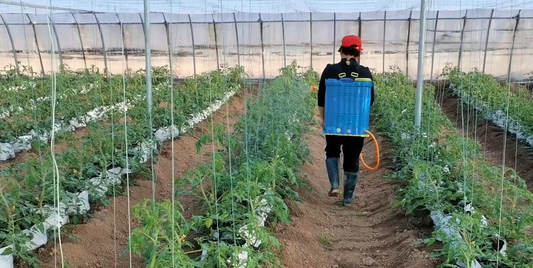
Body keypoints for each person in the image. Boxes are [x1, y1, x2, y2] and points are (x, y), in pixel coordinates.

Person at [317, 35, 375, 206]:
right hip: (356, 125)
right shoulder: (365, 72)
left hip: (334, 122)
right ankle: (348, 197)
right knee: (352, 157)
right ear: (358, 53)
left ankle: (335, 185)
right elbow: (370, 100)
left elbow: (321, 99)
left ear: (341, 50)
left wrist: (324, 119)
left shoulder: (330, 71)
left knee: (332, 151)